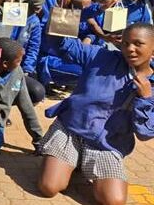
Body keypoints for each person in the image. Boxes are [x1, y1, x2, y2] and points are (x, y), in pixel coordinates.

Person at [38, 23, 154, 205]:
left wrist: (146, 98)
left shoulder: (151, 86)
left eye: (138, 44)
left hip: (106, 144)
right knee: (49, 187)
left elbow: (145, 133)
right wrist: (65, 15)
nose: (130, 49)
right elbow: (62, 45)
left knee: (113, 201)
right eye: (125, 43)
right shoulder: (101, 56)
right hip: (71, 130)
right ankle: (70, 160)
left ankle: (79, 162)